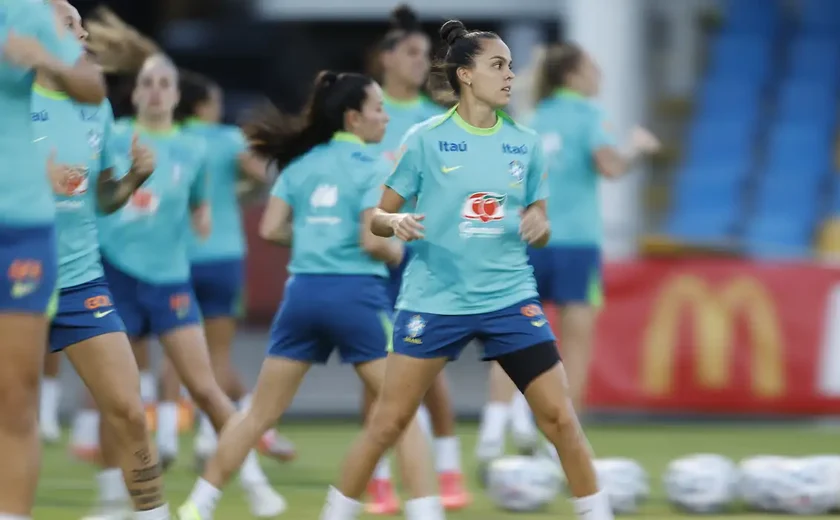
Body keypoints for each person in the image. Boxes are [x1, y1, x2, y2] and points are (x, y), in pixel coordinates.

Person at [319, 20, 614, 520]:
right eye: (497, 65)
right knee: (387, 423)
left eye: (512, 67)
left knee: (560, 418)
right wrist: (398, 221)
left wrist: (537, 223)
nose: (509, 76)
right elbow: (377, 217)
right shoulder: (424, 140)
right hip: (434, 300)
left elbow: (539, 221)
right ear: (465, 75)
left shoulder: (526, 143)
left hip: (509, 298)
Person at [176, 70, 439, 520]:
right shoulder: (378, 166)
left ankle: (198, 504)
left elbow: (271, 228)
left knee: (258, 414)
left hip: (301, 296)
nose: (385, 117)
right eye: (378, 109)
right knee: (403, 413)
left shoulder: (301, 164)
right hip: (355, 296)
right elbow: (372, 241)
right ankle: (426, 512)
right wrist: (399, 255)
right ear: (353, 118)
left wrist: (320, 238)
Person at [94, 53, 286, 518]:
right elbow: (99, 199)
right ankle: (113, 500)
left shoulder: (193, 150)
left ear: (177, 96)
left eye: (165, 83)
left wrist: (202, 215)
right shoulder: (111, 137)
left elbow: (202, 199)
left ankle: (254, 482)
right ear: (136, 93)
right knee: (114, 396)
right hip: (116, 274)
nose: (157, 90)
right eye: (149, 83)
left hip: (170, 280)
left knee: (205, 388)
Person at [32, 5, 172, 519]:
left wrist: (133, 178)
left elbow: (103, 198)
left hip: (79, 279)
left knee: (129, 411)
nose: (84, 31)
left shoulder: (96, 108)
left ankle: (152, 513)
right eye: (71, 23)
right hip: (15, 285)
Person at [523, 42, 661, 460]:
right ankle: (564, 439)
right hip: (577, 244)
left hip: (530, 240)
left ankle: (513, 423)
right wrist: (639, 147)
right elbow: (611, 167)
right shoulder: (591, 116)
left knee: (518, 339)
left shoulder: (531, 117)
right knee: (576, 345)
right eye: (593, 69)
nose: (599, 77)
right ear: (573, 76)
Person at [0, 0, 106, 516]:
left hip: (19, 225)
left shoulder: (28, 12)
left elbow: (92, 88)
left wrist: (48, 57)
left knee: (14, 396)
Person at [364, 5, 468, 514]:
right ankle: (378, 479)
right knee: (376, 370)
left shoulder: (435, 118)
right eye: (410, 53)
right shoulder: (368, 112)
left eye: (425, 55)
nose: (419, 62)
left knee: (430, 371)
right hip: (370, 259)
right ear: (386, 58)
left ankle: (449, 472)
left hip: (420, 258)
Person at [176, 69, 297, 469]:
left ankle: (169, 439)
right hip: (222, 255)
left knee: (176, 354)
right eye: (213, 102)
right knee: (217, 355)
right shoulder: (227, 139)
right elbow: (262, 174)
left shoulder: (172, 139)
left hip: (174, 258)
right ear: (202, 106)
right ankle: (224, 435)